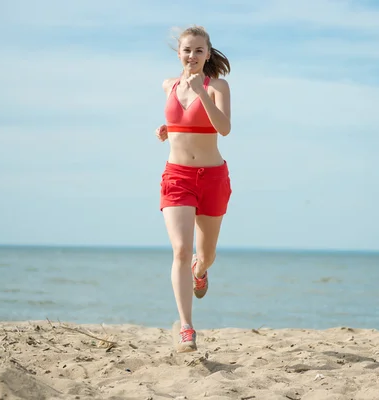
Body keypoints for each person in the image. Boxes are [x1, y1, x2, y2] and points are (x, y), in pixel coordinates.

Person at [154, 25, 232, 353]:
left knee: (205, 255)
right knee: (181, 250)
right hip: (177, 177)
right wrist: (166, 130)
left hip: (212, 178)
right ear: (179, 54)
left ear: (208, 55)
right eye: (187, 50)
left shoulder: (218, 87)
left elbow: (224, 128)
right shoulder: (168, 85)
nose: (192, 56)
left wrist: (201, 92)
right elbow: (180, 123)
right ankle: (186, 327)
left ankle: (201, 271)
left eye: (199, 51)